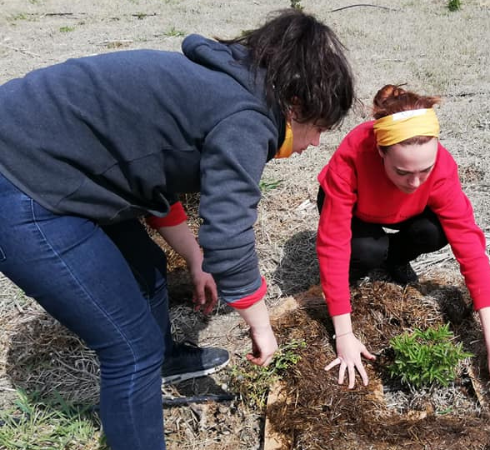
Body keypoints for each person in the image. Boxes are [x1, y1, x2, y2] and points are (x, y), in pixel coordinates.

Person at [0, 9, 354, 450]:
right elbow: (230, 239)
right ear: (295, 105)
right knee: (129, 351)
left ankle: (165, 359)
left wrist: (193, 257)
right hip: (22, 181)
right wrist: (263, 330)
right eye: (318, 127)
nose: (316, 143)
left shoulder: (221, 81)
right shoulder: (248, 118)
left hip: (52, 158)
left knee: (145, 263)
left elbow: (150, 167)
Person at [316, 85, 490, 393]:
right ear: (380, 151)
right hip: (358, 214)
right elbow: (333, 244)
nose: (416, 182)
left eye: (425, 170)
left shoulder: (442, 171)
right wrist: (344, 335)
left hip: (403, 213)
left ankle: (394, 258)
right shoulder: (353, 155)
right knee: (367, 250)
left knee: (435, 231)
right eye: (403, 172)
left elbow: (470, 250)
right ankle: (361, 269)